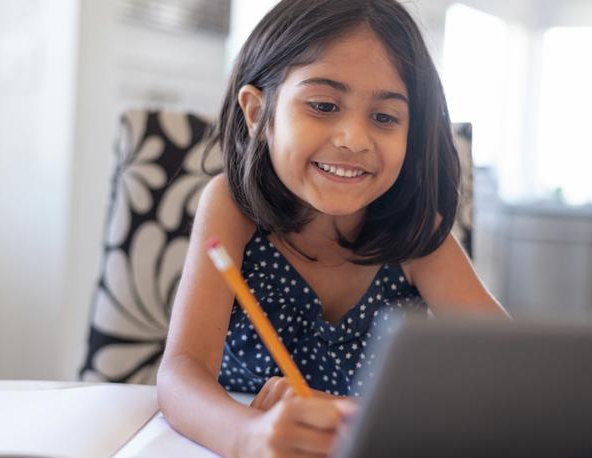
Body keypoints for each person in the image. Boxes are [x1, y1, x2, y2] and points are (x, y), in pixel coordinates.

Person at [157, 0, 508, 456]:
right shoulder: (230, 207)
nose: (353, 139)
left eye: (384, 117)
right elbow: (181, 371)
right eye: (323, 105)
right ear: (257, 112)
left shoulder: (419, 232)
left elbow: (508, 371)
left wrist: (358, 413)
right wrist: (248, 437)